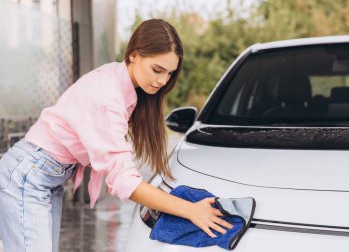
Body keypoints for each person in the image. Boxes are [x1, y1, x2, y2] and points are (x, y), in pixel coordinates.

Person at [0, 19, 232, 252]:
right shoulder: (108, 95)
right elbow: (125, 181)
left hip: (44, 178)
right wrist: (190, 210)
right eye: (157, 70)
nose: (163, 81)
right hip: (28, 177)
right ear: (133, 55)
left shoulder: (121, 83)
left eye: (170, 73)